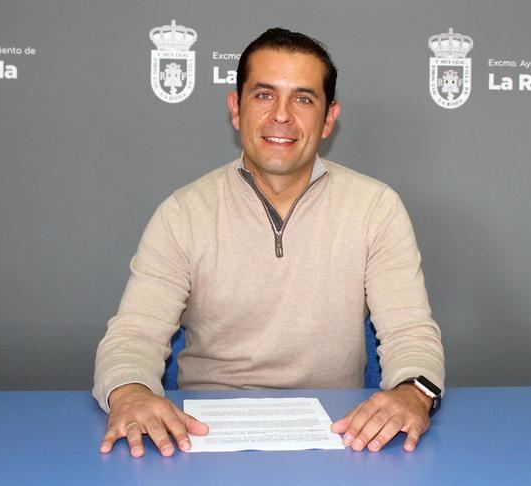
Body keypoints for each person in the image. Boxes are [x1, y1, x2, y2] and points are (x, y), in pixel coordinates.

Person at [93, 27, 444, 458]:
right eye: (263, 95)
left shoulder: (376, 207)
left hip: (341, 434)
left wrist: (413, 392)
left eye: (303, 99)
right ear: (236, 109)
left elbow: (409, 331)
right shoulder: (183, 212)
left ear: (329, 118)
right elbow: (134, 335)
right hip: (202, 435)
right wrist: (130, 393)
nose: (282, 115)